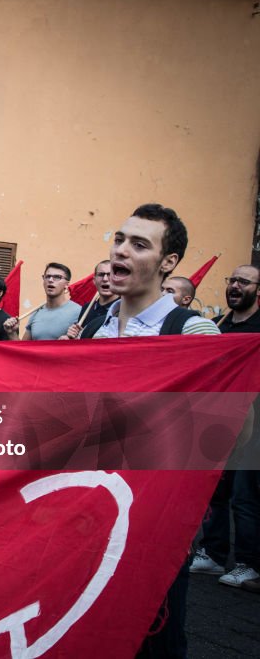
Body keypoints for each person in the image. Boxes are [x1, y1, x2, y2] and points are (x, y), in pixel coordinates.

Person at [80, 203, 219, 658]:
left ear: (168, 262)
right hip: (86, 515)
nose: (121, 250)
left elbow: (229, 438)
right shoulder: (93, 329)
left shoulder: (192, 334)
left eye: (139, 244)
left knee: (150, 642)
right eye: (119, 239)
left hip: (153, 528)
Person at [191, 264, 260, 591]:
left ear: (257, 290)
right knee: (215, 491)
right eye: (232, 280)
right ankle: (214, 554)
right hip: (219, 421)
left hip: (253, 423)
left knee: (244, 497)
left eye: (243, 282)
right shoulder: (218, 325)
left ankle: (249, 563)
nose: (235, 286)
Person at [4, 263, 80, 340]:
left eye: (57, 277)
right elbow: (23, 349)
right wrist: (12, 333)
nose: (50, 280)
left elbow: (87, 347)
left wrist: (70, 343)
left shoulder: (78, 312)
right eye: (47, 276)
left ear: (66, 284)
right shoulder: (36, 313)